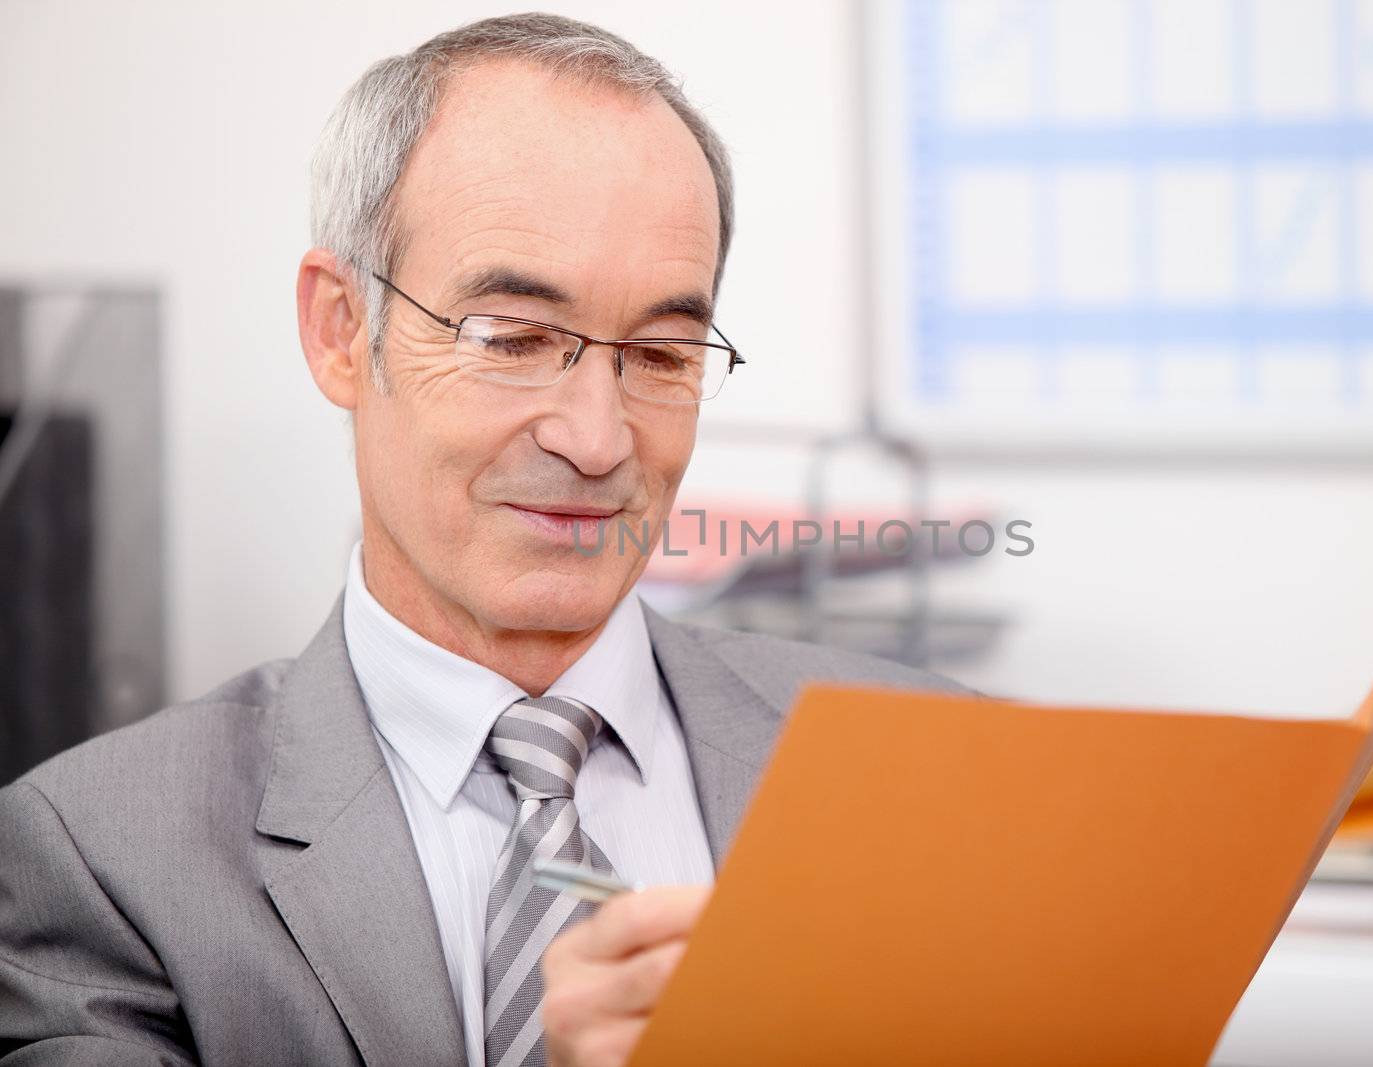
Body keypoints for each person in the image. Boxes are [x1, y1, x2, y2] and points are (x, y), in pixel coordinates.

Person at [0, 13, 963, 1067]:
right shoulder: (94, 855)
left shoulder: (945, 770)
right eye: (512, 339)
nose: (597, 440)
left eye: (660, 352)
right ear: (339, 329)